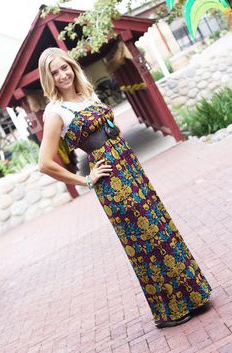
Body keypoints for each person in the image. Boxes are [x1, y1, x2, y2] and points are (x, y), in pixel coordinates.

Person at [38, 47, 211, 328]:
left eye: (64, 67)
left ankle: (194, 295)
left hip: (131, 170)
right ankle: (170, 311)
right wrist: (86, 180)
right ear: (49, 79)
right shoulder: (55, 112)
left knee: (161, 229)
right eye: (54, 72)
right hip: (112, 183)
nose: (62, 75)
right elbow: (45, 163)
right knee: (144, 241)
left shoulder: (88, 94)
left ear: (71, 66)